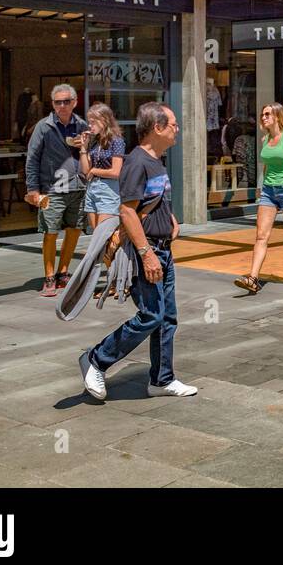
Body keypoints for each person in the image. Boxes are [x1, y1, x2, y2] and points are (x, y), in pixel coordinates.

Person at [79, 101, 197, 400]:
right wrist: (147, 254)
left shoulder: (157, 161)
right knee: (151, 315)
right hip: (147, 251)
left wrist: (169, 219)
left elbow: (153, 199)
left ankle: (162, 379)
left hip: (163, 249)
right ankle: (96, 359)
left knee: (167, 317)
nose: (177, 129)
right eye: (172, 124)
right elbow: (127, 211)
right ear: (156, 128)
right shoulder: (136, 162)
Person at [234, 102, 283, 294]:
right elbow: (266, 166)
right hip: (269, 191)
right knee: (261, 236)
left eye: (267, 114)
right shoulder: (265, 139)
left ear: (278, 116)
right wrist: (262, 188)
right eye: (263, 114)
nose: (264, 117)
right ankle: (253, 278)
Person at [25, 83, 87, 297]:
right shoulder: (44, 126)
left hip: (77, 186)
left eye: (66, 101)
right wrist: (33, 188)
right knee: (50, 231)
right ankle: (49, 276)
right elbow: (32, 159)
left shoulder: (81, 125)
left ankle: (63, 272)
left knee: (74, 229)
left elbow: (92, 153)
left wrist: (84, 146)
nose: (62, 106)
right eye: (57, 102)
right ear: (52, 104)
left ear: (74, 102)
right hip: (52, 188)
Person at [79, 102, 126, 299]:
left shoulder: (116, 140)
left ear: (104, 120)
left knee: (107, 240)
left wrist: (95, 171)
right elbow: (84, 170)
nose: (90, 126)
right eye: (89, 122)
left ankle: (118, 282)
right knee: (99, 241)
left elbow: (116, 172)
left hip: (108, 190)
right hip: (93, 190)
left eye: (93, 122)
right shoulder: (95, 141)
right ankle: (111, 281)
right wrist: (83, 148)